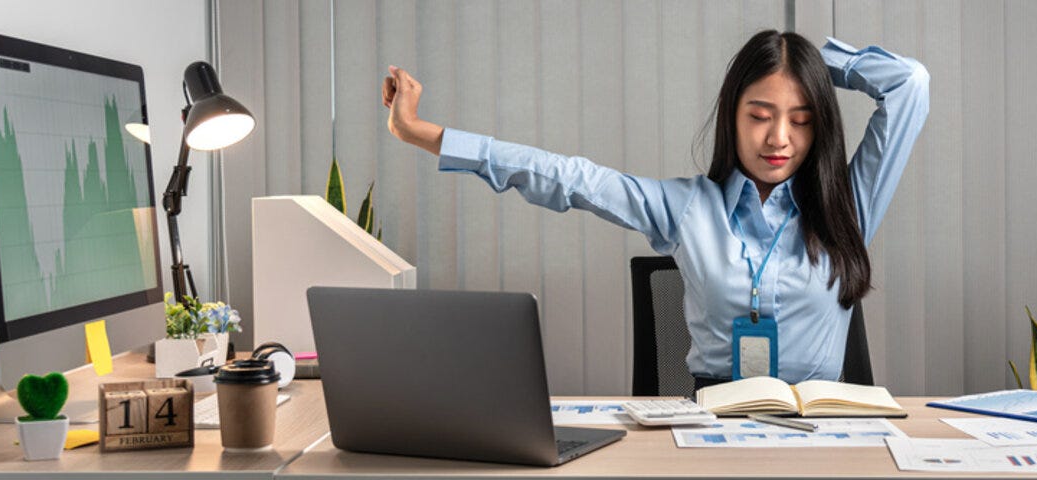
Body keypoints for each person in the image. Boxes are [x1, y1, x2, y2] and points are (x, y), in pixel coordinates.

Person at [382, 30, 929, 389]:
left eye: (801, 118)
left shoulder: (847, 207)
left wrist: (813, 62)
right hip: (713, 433)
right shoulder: (687, 207)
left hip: (824, 441)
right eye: (760, 114)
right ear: (732, 117)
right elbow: (569, 178)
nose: (779, 137)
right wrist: (419, 131)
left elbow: (910, 84)